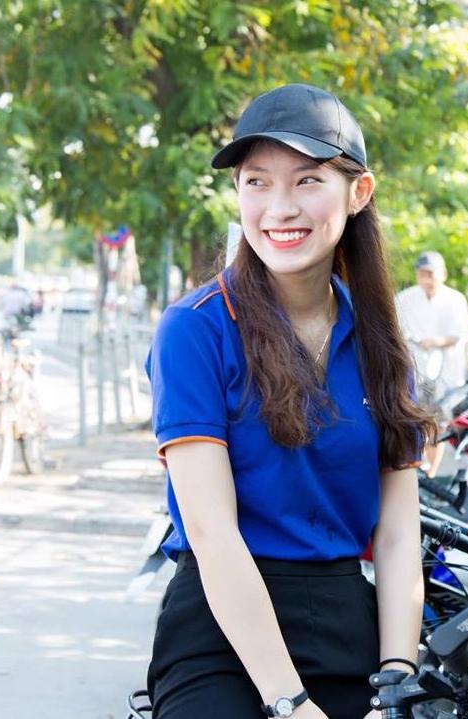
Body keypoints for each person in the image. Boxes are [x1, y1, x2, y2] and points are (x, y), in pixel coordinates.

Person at [144, 83, 435, 719]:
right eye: (257, 182)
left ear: (359, 192)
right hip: (220, 631)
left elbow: (396, 533)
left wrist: (397, 676)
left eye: (307, 181)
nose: (279, 208)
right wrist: (290, 702)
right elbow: (212, 533)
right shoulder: (196, 328)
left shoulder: (383, 344)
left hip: (345, 624)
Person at [395, 251, 468, 477]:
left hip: (445, 373)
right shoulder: (405, 298)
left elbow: (460, 335)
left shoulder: (455, 299)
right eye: (422, 274)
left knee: (438, 424)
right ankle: (417, 471)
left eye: (431, 273)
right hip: (414, 372)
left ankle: (431, 474)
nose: (427, 279)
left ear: (443, 274)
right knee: (412, 420)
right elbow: (395, 331)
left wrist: (436, 342)